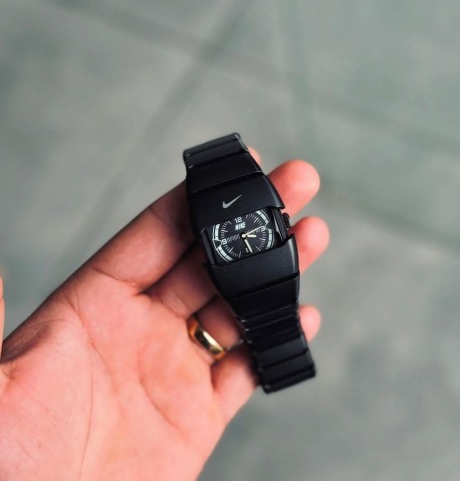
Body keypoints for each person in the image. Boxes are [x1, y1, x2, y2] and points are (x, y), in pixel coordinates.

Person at [0, 153, 329, 480]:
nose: (243, 235)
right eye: (236, 236)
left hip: (264, 272)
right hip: (248, 277)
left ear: (279, 224)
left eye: (248, 232)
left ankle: (285, 363)